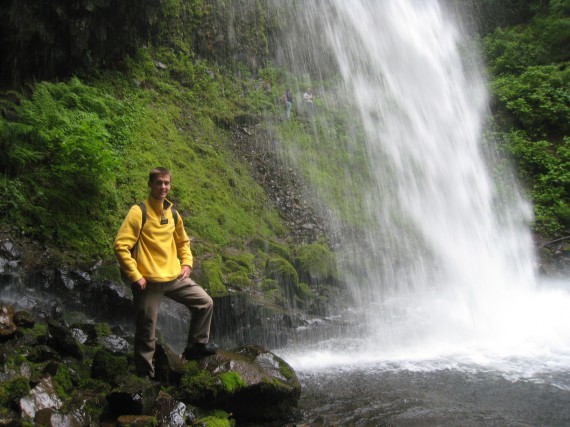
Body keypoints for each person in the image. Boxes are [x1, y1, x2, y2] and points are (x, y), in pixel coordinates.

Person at [114, 166, 217, 378]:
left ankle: (196, 346)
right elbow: (120, 245)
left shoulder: (173, 214)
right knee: (146, 329)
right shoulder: (139, 212)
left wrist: (187, 263)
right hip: (148, 281)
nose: (163, 187)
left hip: (172, 277)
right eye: (159, 183)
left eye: (167, 183)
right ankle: (145, 375)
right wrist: (136, 275)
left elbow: (183, 241)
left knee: (205, 302)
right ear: (150, 184)